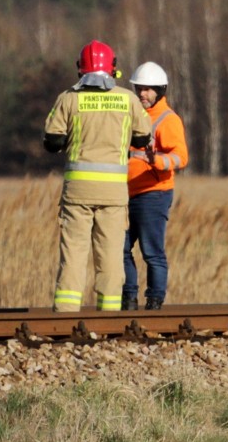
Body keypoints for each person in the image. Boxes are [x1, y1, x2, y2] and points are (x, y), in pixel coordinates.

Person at [43, 40, 152, 312]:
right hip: (114, 194)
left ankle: (66, 313)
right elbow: (143, 137)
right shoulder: (127, 99)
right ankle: (109, 313)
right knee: (111, 256)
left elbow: (52, 141)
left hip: (78, 192)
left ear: (80, 70)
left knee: (74, 253)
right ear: (112, 69)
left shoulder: (68, 98)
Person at [122, 62, 189, 310]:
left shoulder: (167, 119)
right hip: (125, 193)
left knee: (152, 253)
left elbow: (181, 157)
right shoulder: (132, 116)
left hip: (153, 193)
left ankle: (154, 301)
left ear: (160, 90)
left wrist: (157, 161)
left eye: (148, 89)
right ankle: (128, 298)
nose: (142, 93)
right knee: (119, 249)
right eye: (139, 88)